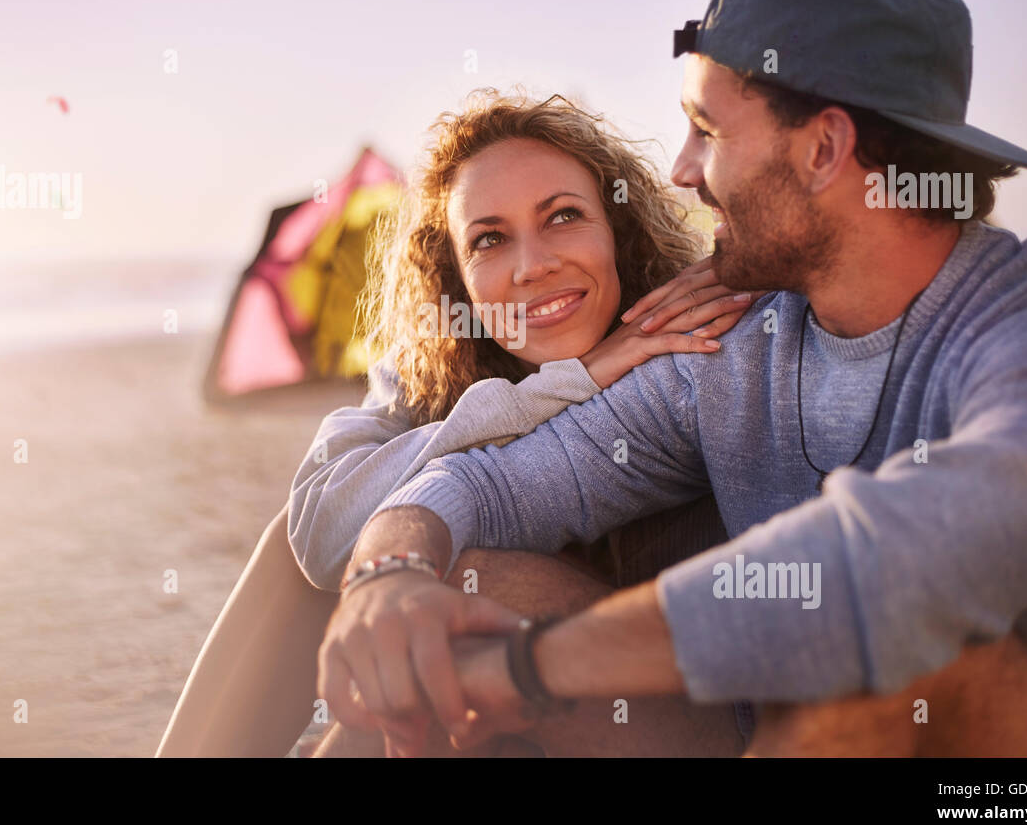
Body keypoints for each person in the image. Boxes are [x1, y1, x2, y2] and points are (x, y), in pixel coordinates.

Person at [317, 0, 1027, 758]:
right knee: (451, 608)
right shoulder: (737, 338)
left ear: (822, 149)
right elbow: (494, 485)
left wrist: (531, 666)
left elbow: (892, 571)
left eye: (708, 131)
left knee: (894, 676)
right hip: (758, 734)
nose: (681, 172)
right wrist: (391, 578)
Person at [156, 90, 763, 757]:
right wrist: (572, 381)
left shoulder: (680, 343)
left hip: (673, 709)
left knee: (449, 604)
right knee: (332, 564)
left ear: (616, 231)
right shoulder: (434, 369)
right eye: (490, 240)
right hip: (520, 709)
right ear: (456, 279)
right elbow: (319, 531)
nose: (534, 265)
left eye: (563, 216)